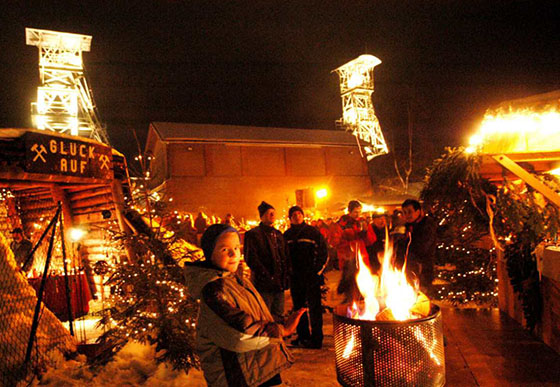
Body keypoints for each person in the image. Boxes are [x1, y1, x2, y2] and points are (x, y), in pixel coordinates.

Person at [184, 224, 306, 387]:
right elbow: (239, 336)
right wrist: (281, 331)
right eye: (224, 249)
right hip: (239, 377)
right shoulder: (213, 290)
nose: (234, 253)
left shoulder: (236, 280)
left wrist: (280, 323)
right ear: (210, 253)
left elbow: (254, 315)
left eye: (236, 247)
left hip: (257, 368)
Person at [284, 206, 328, 349]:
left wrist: (317, 272)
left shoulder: (312, 232)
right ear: (290, 218)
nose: (297, 216)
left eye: (299, 214)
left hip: (311, 277)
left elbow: (323, 253)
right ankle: (303, 336)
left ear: (303, 216)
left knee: (315, 309)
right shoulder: (287, 235)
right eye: (294, 215)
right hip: (296, 278)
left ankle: (316, 339)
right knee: (299, 308)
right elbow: (284, 257)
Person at [243, 201, 290, 321]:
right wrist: (266, 275)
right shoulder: (253, 235)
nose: (273, 215)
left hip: (279, 284)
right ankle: (267, 340)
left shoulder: (278, 235)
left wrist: (285, 275)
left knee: (278, 314)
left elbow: (284, 256)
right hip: (264, 284)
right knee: (265, 315)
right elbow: (251, 258)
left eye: (274, 213)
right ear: (262, 216)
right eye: (269, 213)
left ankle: (277, 338)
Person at [335, 200, 376, 303]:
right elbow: (335, 242)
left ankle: (361, 303)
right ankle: (351, 304)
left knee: (362, 282)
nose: (358, 215)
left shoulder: (362, 222)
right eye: (355, 212)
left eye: (359, 212)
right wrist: (349, 241)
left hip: (362, 257)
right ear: (349, 211)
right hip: (348, 258)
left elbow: (370, 241)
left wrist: (365, 232)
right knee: (351, 283)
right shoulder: (342, 224)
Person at [397, 199, 437, 292]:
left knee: (421, 296)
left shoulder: (427, 225)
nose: (407, 215)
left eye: (410, 212)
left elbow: (421, 247)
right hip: (409, 268)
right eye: (405, 212)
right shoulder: (409, 226)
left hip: (422, 270)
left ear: (418, 211)